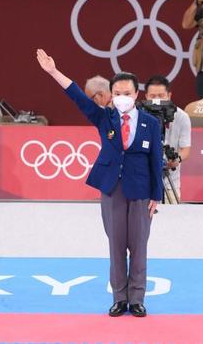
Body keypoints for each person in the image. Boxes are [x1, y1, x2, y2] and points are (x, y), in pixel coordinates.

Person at [36, 49, 163, 318]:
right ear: (111, 94)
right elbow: (78, 98)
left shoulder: (151, 123)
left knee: (139, 247)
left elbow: (156, 159)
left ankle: (137, 299)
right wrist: (53, 72)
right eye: (117, 93)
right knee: (116, 245)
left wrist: (157, 195)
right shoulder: (105, 117)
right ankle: (119, 298)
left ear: (136, 95)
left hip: (141, 190)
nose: (122, 98)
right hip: (112, 188)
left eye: (127, 93)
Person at [144, 75, 191, 203]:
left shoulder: (182, 117)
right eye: (153, 96)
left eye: (161, 96)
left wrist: (176, 159)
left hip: (171, 183)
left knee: (172, 221)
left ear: (169, 96)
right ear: (146, 96)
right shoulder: (139, 115)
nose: (157, 100)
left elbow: (185, 150)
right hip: (143, 183)